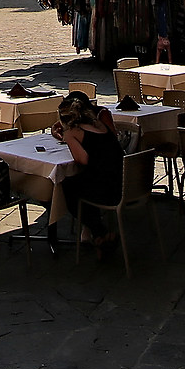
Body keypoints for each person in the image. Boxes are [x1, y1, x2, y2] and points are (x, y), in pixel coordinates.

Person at [53, 92, 123, 252]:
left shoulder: (71, 133)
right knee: (79, 185)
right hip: (122, 182)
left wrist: (68, 139)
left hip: (107, 190)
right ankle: (99, 235)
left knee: (67, 187)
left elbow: (82, 160)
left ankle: (100, 232)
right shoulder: (99, 125)